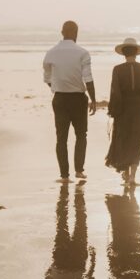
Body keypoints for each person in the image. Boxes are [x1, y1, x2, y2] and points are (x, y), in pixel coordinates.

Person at [43, 21, 96, 182]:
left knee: (61, 138)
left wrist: (59, 87)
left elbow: (47, 78)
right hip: (78, 99)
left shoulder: (51, 53)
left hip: (59, 98)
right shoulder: (82, 53)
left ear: (62, 32)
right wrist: (94, 100)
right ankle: (79, 170)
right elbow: (88, 78)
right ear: (76, 33)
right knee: (81, 135)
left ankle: (64, 175)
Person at [105, 38, 140, 186]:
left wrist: (113, 111)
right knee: (137, 139)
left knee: (123, 138)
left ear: (123, 53)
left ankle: (125, 174)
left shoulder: (117, 69)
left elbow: (115, 92)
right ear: (136, 53)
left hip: (123, 107)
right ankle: (132, 178)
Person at [43, 183, 95, 279]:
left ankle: (78, 194)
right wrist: (52, 267)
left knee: (80, 223)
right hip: (61, 263)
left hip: (77, 263)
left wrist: (93, 258)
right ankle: (65, 196)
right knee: (61, 225)